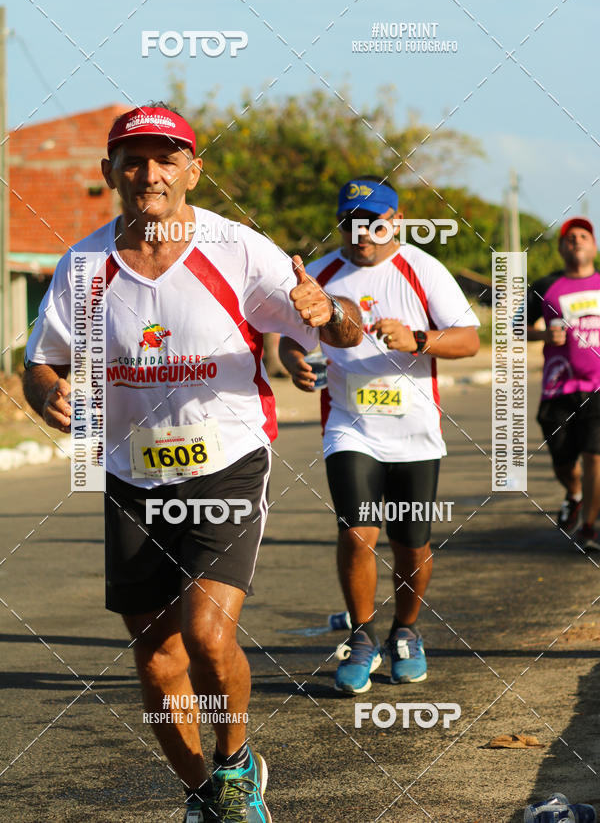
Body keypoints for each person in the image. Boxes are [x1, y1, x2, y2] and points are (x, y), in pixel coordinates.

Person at [22, 103, 362, 822]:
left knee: (209, 637)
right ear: (109, 171)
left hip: (227, 462)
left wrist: (327, 310)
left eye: (167, 158)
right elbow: (43, 362)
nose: (151, 173)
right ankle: (206, 794)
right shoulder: (83, 267)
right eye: (134, 159)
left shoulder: (236, 249)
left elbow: (342, 329)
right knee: (156, 657)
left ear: (193, 170)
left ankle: (236, 766)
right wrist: (47, 391)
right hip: (131, 475)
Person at [279, 177, 480, 695]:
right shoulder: (319, 274)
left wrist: (419, 338)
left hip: (415, 433)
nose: (362, 232)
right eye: (351, 222)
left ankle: (406, 632)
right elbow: (286, 341)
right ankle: (363, 637)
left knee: (410, 542)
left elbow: (469, 340)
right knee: (357, 531)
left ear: (396, 219)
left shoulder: (421, 268)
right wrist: (295, 363)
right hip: (350, 426)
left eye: (373, 222)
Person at [527, 216, 600, 551]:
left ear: (594, 246)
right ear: (560, 248)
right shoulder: (545, 286)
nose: (576, 242)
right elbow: (513, 328)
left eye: (583, 236)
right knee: (563, 461)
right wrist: (543, 333)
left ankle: (588, 527)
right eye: (570, 238)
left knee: (594, 455)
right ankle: (574, 492)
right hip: (558, 390)